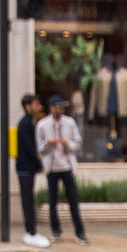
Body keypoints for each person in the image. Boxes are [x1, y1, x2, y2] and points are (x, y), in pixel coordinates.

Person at [37, 92, 86, 243]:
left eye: (63, 107)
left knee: (73, 201)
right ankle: (56, 231)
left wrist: (68, 144)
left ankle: (80, 232)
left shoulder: (70, 123)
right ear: (52, 108)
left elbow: (77, 142)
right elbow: (39, 147)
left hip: (67, 167)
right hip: (52, 168)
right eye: (59, 107)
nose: (61, 110)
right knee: (53, 201)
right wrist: (48, 144)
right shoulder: (42, 125)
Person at [12, 93, 49, 249]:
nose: (39, 106)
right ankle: (31, 232)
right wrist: (39, 164)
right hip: (25, 168)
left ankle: (31, 231)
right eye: (35, 104)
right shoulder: (26, 123)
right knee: (28, 201)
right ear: (28, 106)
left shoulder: (28, 122)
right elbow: (30, 147)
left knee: (28, 200)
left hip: (25, 168)